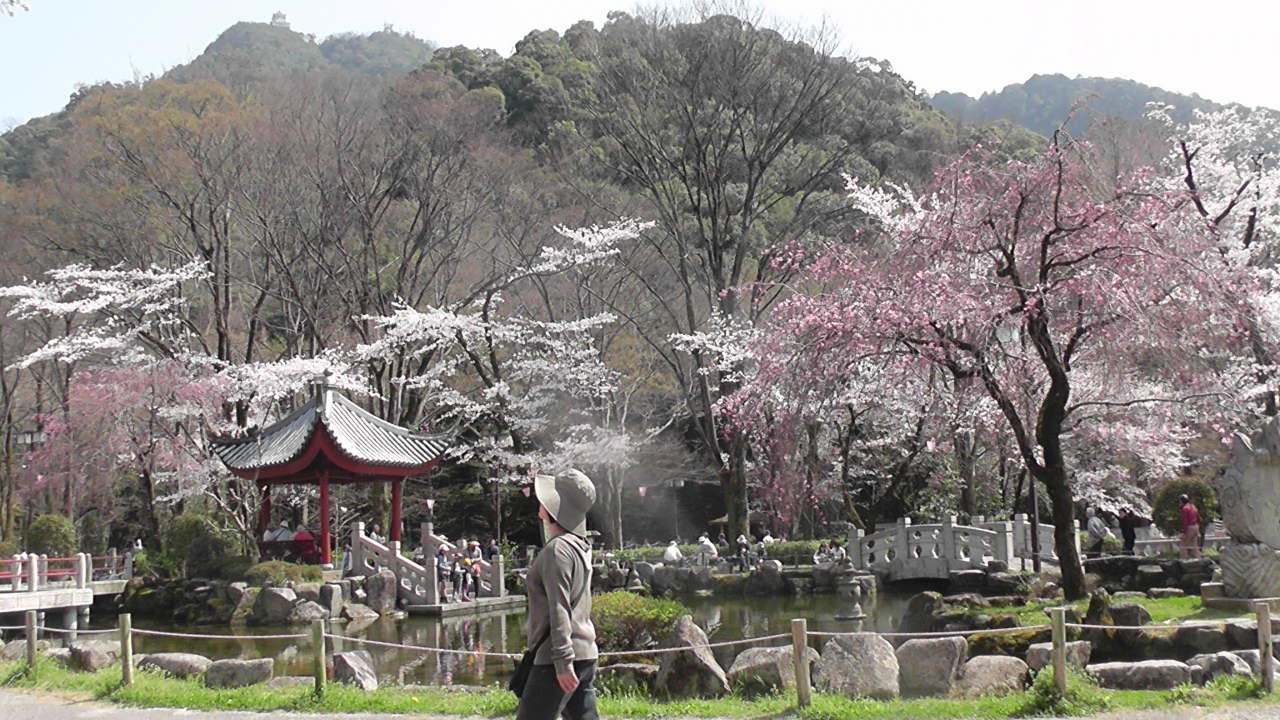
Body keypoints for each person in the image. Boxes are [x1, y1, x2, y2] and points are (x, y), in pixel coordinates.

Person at [517, 469, 598, 720]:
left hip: (556, 659)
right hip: (585, 651)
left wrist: (562, 662)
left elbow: (559, 607)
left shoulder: (558, 549)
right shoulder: (580, 546)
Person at [1179, 494, 1202, 559]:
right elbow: (1198, 518)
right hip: (1196, 526)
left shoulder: (1184, 509)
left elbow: (1185, 522)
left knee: (1183, 544)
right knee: (1194, 545)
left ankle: (1185, 560)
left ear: (1181, 501)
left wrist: (1184, 533)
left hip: (1190, 527)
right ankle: (1198, 559)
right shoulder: (1193, 506)